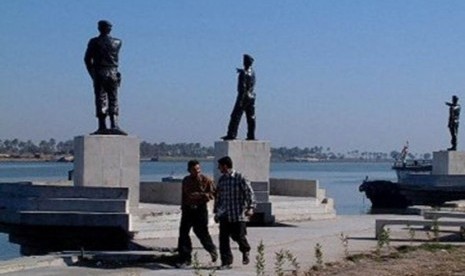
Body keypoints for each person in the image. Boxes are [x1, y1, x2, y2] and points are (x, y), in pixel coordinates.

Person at [84, 20, 126, 135]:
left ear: (99, 28)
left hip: (100, 71)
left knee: (101, 98)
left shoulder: (94, 42)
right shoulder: (118, 42)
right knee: (113, 98)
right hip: (113, 72)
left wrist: (92, 74)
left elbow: (87, 59)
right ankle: (114, 124)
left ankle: (102, 125)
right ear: (110, 29)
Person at [214, 156, 256, 270]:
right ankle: (226, 262)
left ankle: (245, 250)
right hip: (225, 214)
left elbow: (249, 193)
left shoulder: (239, 177)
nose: (218, 168)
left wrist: (251, 207)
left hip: (238, 214)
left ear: (225, 166)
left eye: (220, 166)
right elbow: (219, 197)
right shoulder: (222, 180)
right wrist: (217, 213)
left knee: (238, 236)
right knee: (223, 238)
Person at [176, 160, 217, 268]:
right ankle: (185, 258)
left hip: (200, 209)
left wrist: (201, 195)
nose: (197, 171)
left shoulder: (206, 180)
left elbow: (213, 193)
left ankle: (212, 249)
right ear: (189, 170)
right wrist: (183, 206)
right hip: (188, 209)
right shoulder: (186, 180)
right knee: (183, 233)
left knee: (201, 232)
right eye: (194, 170)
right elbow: (184, 195)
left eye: (198, 169)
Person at [221, 54, 256, 141]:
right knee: (251, 117)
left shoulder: (243, 73)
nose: (243, 63)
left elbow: (242, 88)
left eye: (244, 61)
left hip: (244, 97)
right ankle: (251, 135)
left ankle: (232, 134)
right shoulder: (253, 72)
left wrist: (240, 100)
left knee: (235, 116)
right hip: (252, 96)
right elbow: (251, 82)